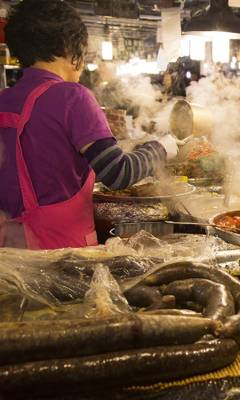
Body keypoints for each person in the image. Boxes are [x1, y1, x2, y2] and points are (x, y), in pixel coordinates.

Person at [0, 0, 177, 250]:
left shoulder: (4, 99)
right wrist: (160, 148)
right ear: (70, 47)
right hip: (60, 253)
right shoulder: (72, 96)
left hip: (8, 251)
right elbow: (118, 173)